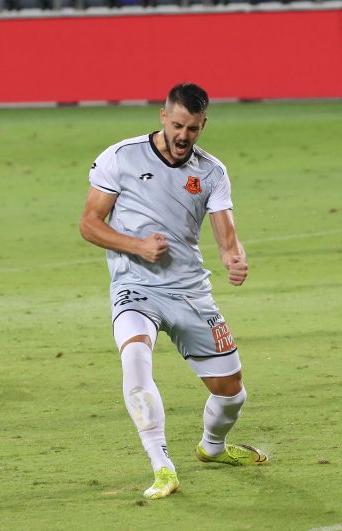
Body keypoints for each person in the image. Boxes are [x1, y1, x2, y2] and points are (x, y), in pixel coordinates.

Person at [79, 83, 267, 500]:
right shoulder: (121, 157)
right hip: (135, 287)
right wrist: (137, 246)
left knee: (232, 394)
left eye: (193, 128)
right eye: (178, 125)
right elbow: (89, 223)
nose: (184, 136)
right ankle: (162, 466)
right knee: (135, 359)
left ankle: (212, 447)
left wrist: (235, 259)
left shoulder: (212, 172)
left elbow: (227, 239)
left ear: (203, 125)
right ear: (163, 117)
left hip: (189, 293)